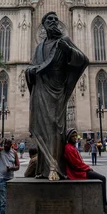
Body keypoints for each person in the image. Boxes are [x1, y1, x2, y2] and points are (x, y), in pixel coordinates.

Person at [25, 12, 89, 179]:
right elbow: (33, 66)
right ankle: (42, 169)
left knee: (55, 126)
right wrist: (30, 71)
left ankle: (55, 167)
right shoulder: (39, 47)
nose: (53, 22)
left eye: (55, 19)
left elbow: (83, 59)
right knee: (41, 128)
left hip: (57, 89)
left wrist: (68, 51)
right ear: (44, 24)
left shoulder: (64, 41)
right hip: (40, 89)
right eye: (49, 19)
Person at [64, 129, 107, 214]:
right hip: (77, 173)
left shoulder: (71, 147)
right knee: (102, 178)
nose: (75, 138)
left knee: (101, 178)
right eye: (72, 136)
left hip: (80, 170)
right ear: (68, 137)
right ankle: (104, 205)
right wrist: (87, 168)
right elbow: (76, 164)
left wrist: (86, 167)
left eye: (75, 136)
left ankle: (103, 205)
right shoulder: (68, 148)